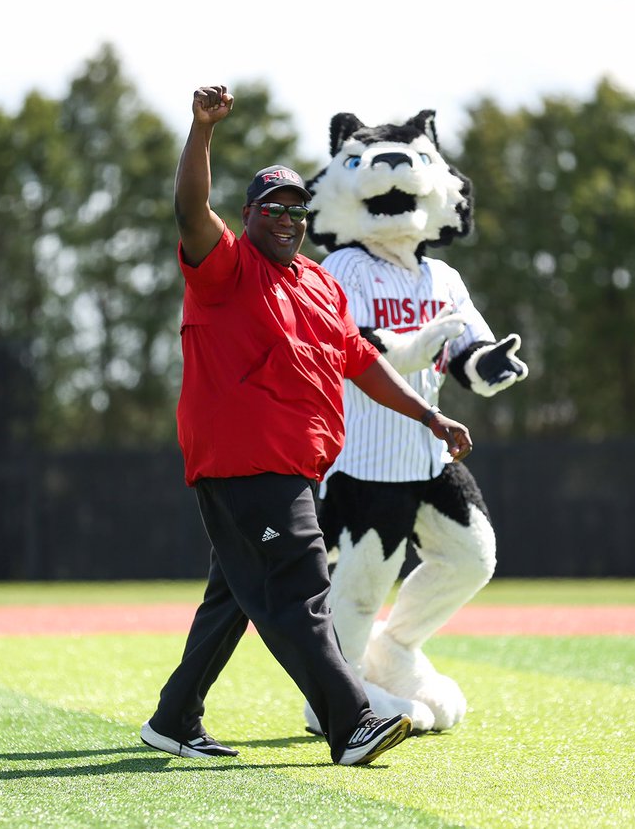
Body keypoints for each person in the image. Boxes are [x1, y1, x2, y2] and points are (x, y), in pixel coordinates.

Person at [139, 85, 475, 767]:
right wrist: (201, 130)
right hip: (246, 462)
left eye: (296, 209)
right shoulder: (226, 268)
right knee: (300, 589)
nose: (288, 219)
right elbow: (188, 209)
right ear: (250, 216)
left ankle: (174, 719)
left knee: (234, 594)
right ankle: (350, 723)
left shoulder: (319, 283)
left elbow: (362, 362)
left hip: (294, 463)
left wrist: (429, 413)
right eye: (274, 209)